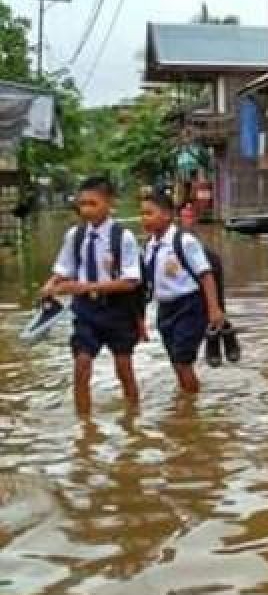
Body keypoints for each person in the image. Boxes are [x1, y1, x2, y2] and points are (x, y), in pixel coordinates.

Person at [40, 176, 143, 417]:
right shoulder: (74, 236)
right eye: (82, 204)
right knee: (82, 365)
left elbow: (130, 281)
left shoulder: (123, 238)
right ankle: (84, 426)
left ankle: (133, 418)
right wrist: (50, 285)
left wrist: (82, 287)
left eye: (92, 204)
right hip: (86, 311)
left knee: (123, 368)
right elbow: (63, 269)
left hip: (117, 310)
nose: (86, 210)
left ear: (109, 203)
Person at [140, 192, 226, 394]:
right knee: (176, 362)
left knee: (182, 360)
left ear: (167, 215)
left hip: (190, 306)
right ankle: (188, 398)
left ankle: (191, 407)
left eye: (149, 213)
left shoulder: (184, 241)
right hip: (165, 310)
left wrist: (214, 309)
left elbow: (205, 275)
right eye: (142, 214)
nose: (144, 218)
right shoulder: (149, 247)